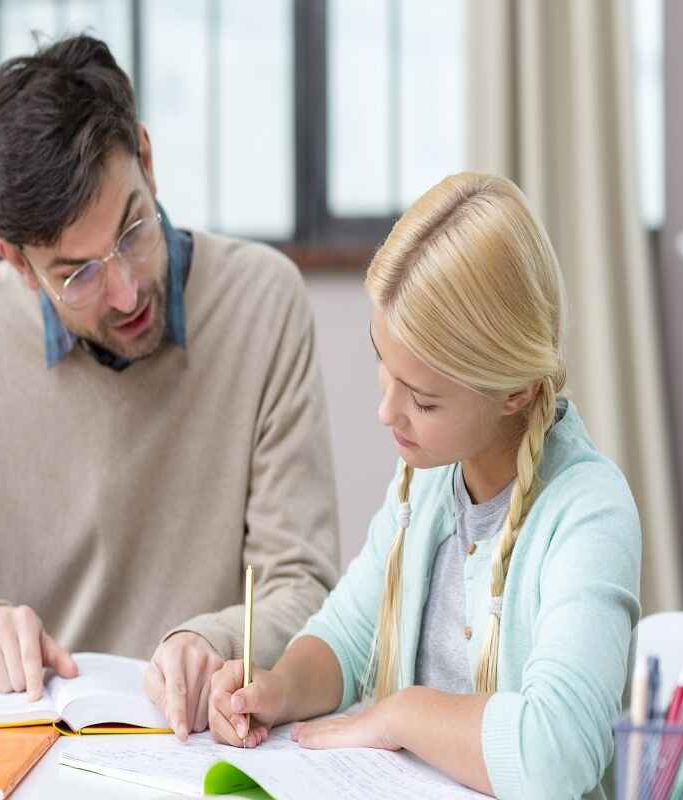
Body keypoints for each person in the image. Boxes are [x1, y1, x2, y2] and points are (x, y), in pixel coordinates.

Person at [0, 33, 340, 741]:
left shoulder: (264, 302)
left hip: (204, 745)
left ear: (146, 159)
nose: (123, 291)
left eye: (132, 228)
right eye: (75, 273)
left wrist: (212, 641)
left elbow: (306, 591)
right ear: (20, 267)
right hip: (37, 753)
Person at [207, 172, 641, 800]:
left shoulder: (589, 514)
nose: (387, 412)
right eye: (382, 360)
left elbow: (556, 755)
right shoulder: (425, 483)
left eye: (424, 400)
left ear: (515, 390)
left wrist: (401, 714)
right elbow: (348, 636)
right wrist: (277, 688)